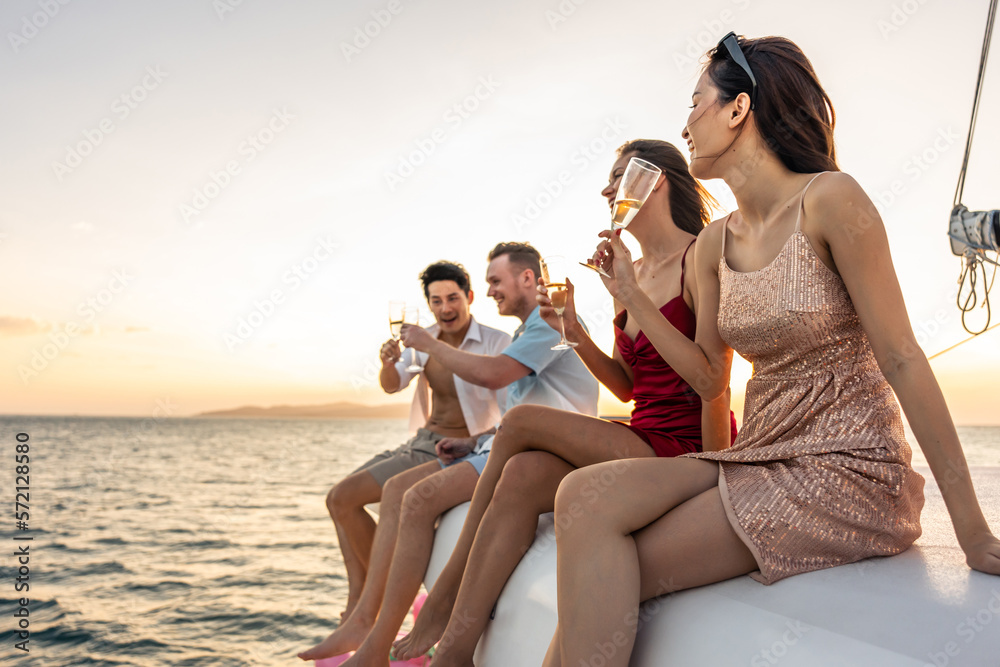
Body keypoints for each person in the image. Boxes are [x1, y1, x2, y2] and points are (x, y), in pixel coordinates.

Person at [544, 33, 1000, 667]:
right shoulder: (711, 246)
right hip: (761, 451)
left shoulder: (832, 200)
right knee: (581, 498)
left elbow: (901, 359)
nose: (685, 124)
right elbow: (708, 379)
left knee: (614, 565)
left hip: (848, 465)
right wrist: (631, 295)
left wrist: (973, 530)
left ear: (738, 109)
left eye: (695, 101)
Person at [392, 140, 740, 666]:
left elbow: (712, 377)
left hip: (686, 444)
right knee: (523, 473)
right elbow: (627, 386)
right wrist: (575, 327)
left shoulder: (702, 251)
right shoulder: (631, 273)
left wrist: (630, 292)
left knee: (523, 421)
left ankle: (443, 595)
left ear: (656, 180)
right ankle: (455, 651)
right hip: (643, 429)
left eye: (619, 176)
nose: (606, 187)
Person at [298, 242, 598, 662]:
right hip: (490, 445)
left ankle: (381, 637)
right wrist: (474, 441)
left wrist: (430, 342)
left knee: (414, 497)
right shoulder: (526, 331)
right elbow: (514, 411)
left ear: (526, 278)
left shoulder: (548, 325)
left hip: (539, 453)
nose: (492, 290)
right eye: (435, 300)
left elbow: (495, 377)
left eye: (495, 281)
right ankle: (367, 621)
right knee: (374, 494)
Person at [324, 261, 509, 622]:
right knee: (339, 499)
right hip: (421, 439)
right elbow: (393, 384)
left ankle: (365, 607)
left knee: (344, 498)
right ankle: (365, 598)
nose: (445, 308)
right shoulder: (424, 341)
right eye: (436, 301)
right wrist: (387, 364)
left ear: (470, 297)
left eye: (452, 298)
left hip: (459, 447)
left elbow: (510, 404)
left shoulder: (495, 342)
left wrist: (479, 443)